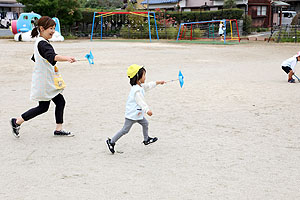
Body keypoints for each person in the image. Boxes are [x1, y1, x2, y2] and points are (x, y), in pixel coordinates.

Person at [10, 16, 76, 138]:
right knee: (44, 107)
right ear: (42, 28)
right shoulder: (42, 44)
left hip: (45, 79)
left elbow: (37, 58)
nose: (53, 31)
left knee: (57, 102)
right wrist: (67, 58)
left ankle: (58, 129)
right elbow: (52, 56)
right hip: (45, 81)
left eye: (54, 28)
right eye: (51, 28)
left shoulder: (40, 42)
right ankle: (17, 121)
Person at [106, 64, 165, 154]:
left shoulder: (140, 86)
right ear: (138, 77)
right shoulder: (136, 91)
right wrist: (147, 110)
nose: (145, 77)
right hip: (132, 115)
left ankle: (146, 139)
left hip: (138, 114)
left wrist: (158, 82)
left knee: (145, 123)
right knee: (125, 130)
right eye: (144, 75)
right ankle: (111, 142)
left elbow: (148, 86)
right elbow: (140, 102)